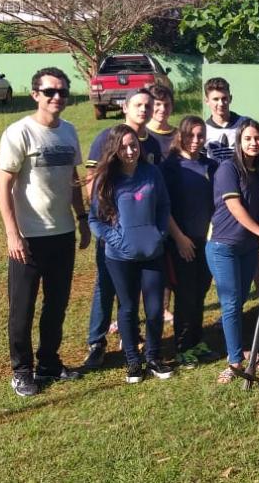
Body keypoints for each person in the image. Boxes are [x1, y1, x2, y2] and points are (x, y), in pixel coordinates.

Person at [0, 66, 90, 397]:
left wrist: (81, 217)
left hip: (62, 234)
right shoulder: (19, 132)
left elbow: (73, 178)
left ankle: (49, 362)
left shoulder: (69, 132)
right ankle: (22, 371)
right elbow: (3, 186)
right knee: (22, 307)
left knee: (57, 304)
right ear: (35, 94)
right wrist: (12, 233)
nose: (57, 97)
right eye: (50, 91)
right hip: (28, 238)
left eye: (62, 92)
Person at [82, 88, 163, 369]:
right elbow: (94, 180)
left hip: (144, 234)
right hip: (114, 232)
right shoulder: (108, 137)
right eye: (138, 105)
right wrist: (111, 225)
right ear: (125, 107)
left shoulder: (151, 144)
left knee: (135, 293)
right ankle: (97, 342)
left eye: (148, 105)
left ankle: (131, 337)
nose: (144, 110)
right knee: (106, 286)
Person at [88, 123, 173, 384]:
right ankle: (133, 361)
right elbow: (95, 220)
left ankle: (154, 356)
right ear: (115, 150)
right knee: (127, 308)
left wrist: (158, 234)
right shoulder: (106, 179)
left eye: (133, 145)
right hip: (119, 257)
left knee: (155, 308)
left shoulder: (152, 173)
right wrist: (117, 240)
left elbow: (164, 206)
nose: (129, 151)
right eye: (124, 147)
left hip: (152, 253)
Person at [206, 119, 259, 384]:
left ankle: (241, 349)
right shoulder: (228, 168)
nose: (253, 143)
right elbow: (234, 207)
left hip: (248, 247)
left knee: (241, 300)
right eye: (248, 138)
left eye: (257, 138)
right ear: (239, 141)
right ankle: (234, 360)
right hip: (223, 246)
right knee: (231, 303)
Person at [161, 116, 218, 369]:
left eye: (200, 135)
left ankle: (197, 341)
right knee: (185, 294)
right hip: (182, 241)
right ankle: (182, 346)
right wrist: (179, 238)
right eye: (190, 135)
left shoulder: (210, 165)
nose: (195, 141)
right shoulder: (170, 167)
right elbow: (164, 208)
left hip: (206, 240)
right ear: (181, 136)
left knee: (201, 291)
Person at [146, 83, 177, 325]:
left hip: (175, 204)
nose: (162, 109)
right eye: (157, 105)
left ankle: (165, 307)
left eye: (166, 105)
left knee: (170, 259)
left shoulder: (178, 135)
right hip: (147, 207)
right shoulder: (143, 136)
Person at [203, 77, 248, 164]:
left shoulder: (245, 124)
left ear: (230, 98)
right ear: (207, 101)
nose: (221, 103)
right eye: (215, 99)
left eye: (224, 98)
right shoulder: (203, 130)